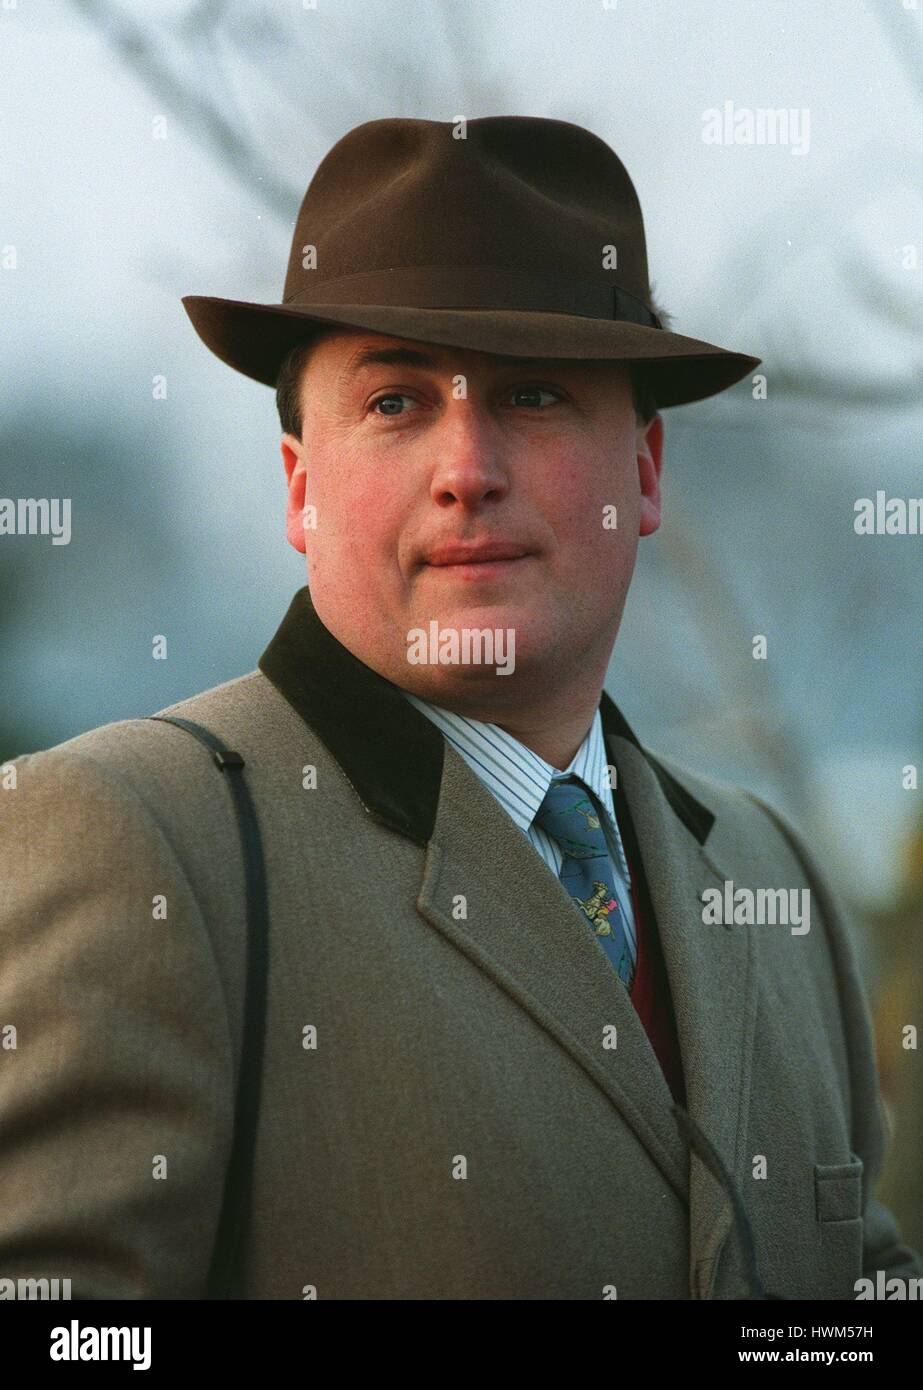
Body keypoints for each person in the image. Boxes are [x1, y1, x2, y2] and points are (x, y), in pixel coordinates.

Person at [1, 116, 919, 1301]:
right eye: (393, 402)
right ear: (298, 488)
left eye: (531, 394)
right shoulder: (134, 838)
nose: (465, 465)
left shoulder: (765, 868)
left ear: (642, 473)